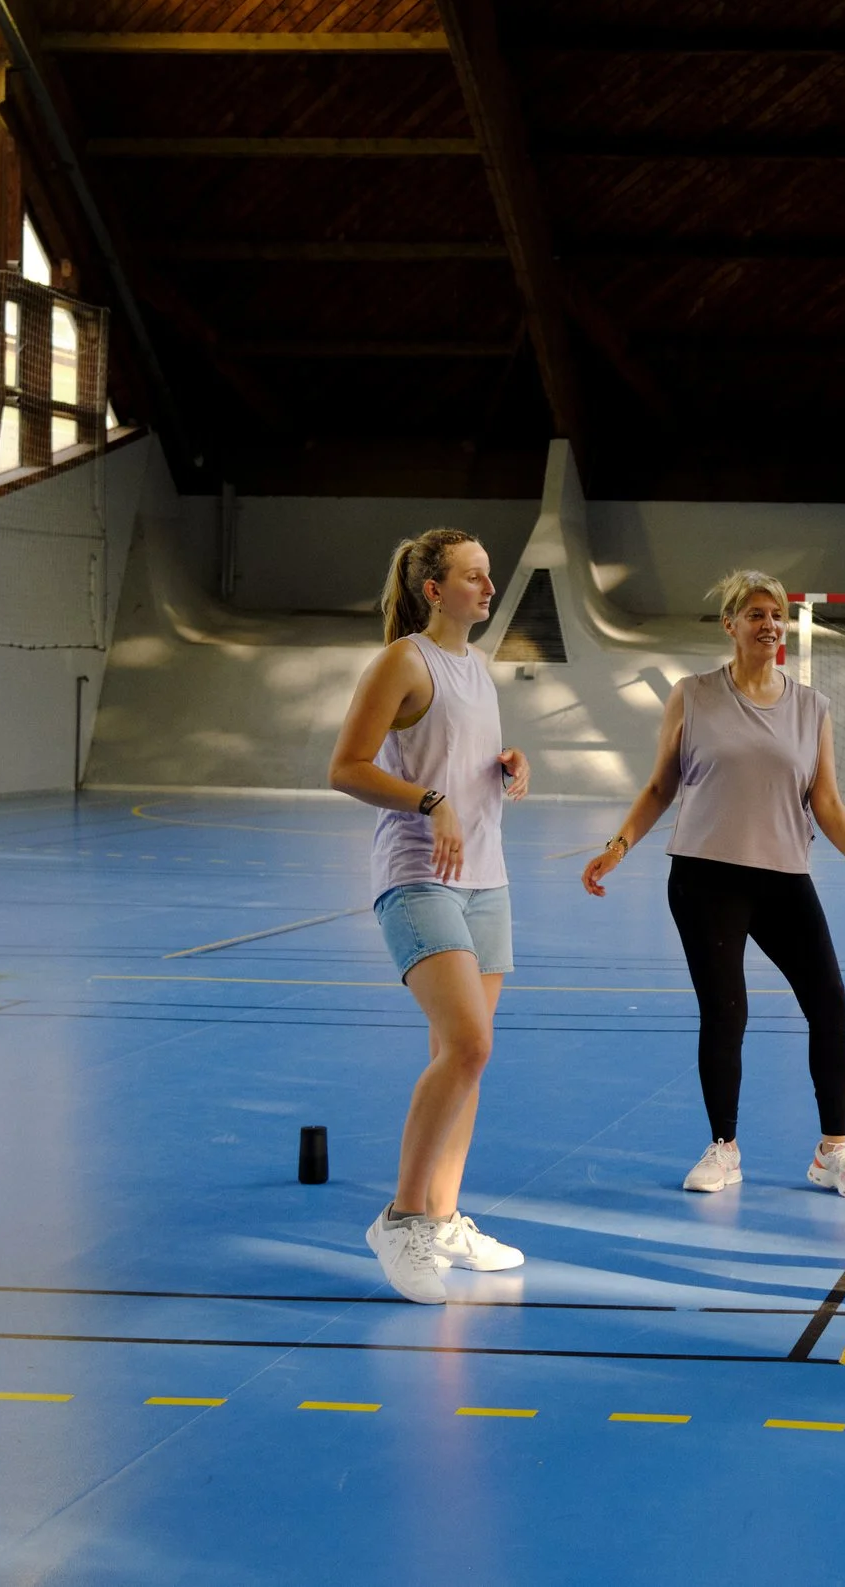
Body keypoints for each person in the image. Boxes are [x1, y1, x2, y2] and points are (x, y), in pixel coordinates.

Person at [582, 570, 845, 1200]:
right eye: (755, 614)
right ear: (730, 624)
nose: (769, 625)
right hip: (704, 875)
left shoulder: (811, 707)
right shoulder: (692, 695)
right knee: (726, 1011)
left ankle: (833, 1151)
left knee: (828, 1003)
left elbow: (826, 799)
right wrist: (618, 846)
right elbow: (660, 786)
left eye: (776, 615)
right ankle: (723, 1148)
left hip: (784, 875)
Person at [330, 528, 532, 1305]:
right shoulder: (403, 661)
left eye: (489, 575)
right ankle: (402, 1219)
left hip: (488, 881)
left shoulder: (476, 668)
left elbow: (451, 757)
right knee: (470, 1043)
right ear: (434, 589)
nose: (489, 587)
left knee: (463, 1056)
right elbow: (347, 767)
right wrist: (430, 800)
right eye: (475, 576)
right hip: (419, 878)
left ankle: (444, 1217)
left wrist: (506, 765)